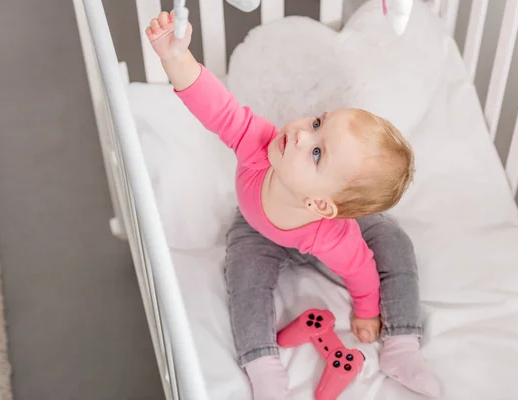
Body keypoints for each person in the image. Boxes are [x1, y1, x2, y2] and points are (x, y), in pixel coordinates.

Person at [145, 10, 440, 399]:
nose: (301, 134)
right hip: (257, 227)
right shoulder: (259, 146)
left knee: (393, 241)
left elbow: (361, 270)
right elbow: (218, 108)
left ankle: (402, 344)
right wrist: (175, 58)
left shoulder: (337, 235)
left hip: (320, 233)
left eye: (317, 153)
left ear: (322, 203)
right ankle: (262, 365)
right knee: (244, 277)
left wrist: (367, 309)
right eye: (318, 122)